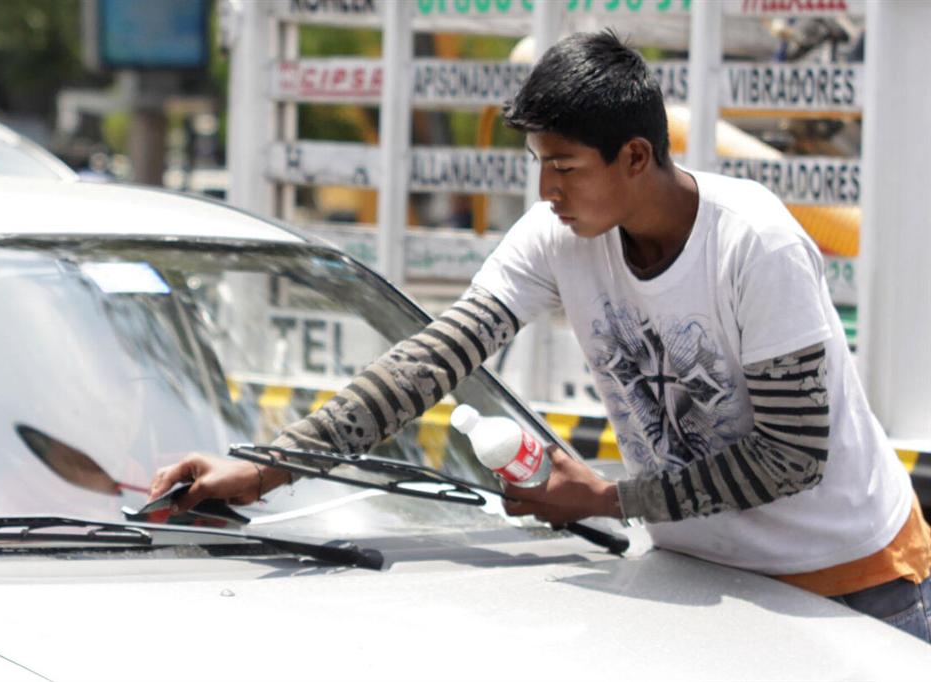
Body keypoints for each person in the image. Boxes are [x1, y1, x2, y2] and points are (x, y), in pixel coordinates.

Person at [149, 30, 931, 640]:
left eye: (563, 166)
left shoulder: (751, 241)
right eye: (538, 165)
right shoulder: (557, 234)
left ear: (635, 156)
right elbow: (434, 357)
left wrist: (607, 496)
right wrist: (263, 470)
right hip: (698, 575)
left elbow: (792, 456)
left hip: (854, 582)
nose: (545, 190)